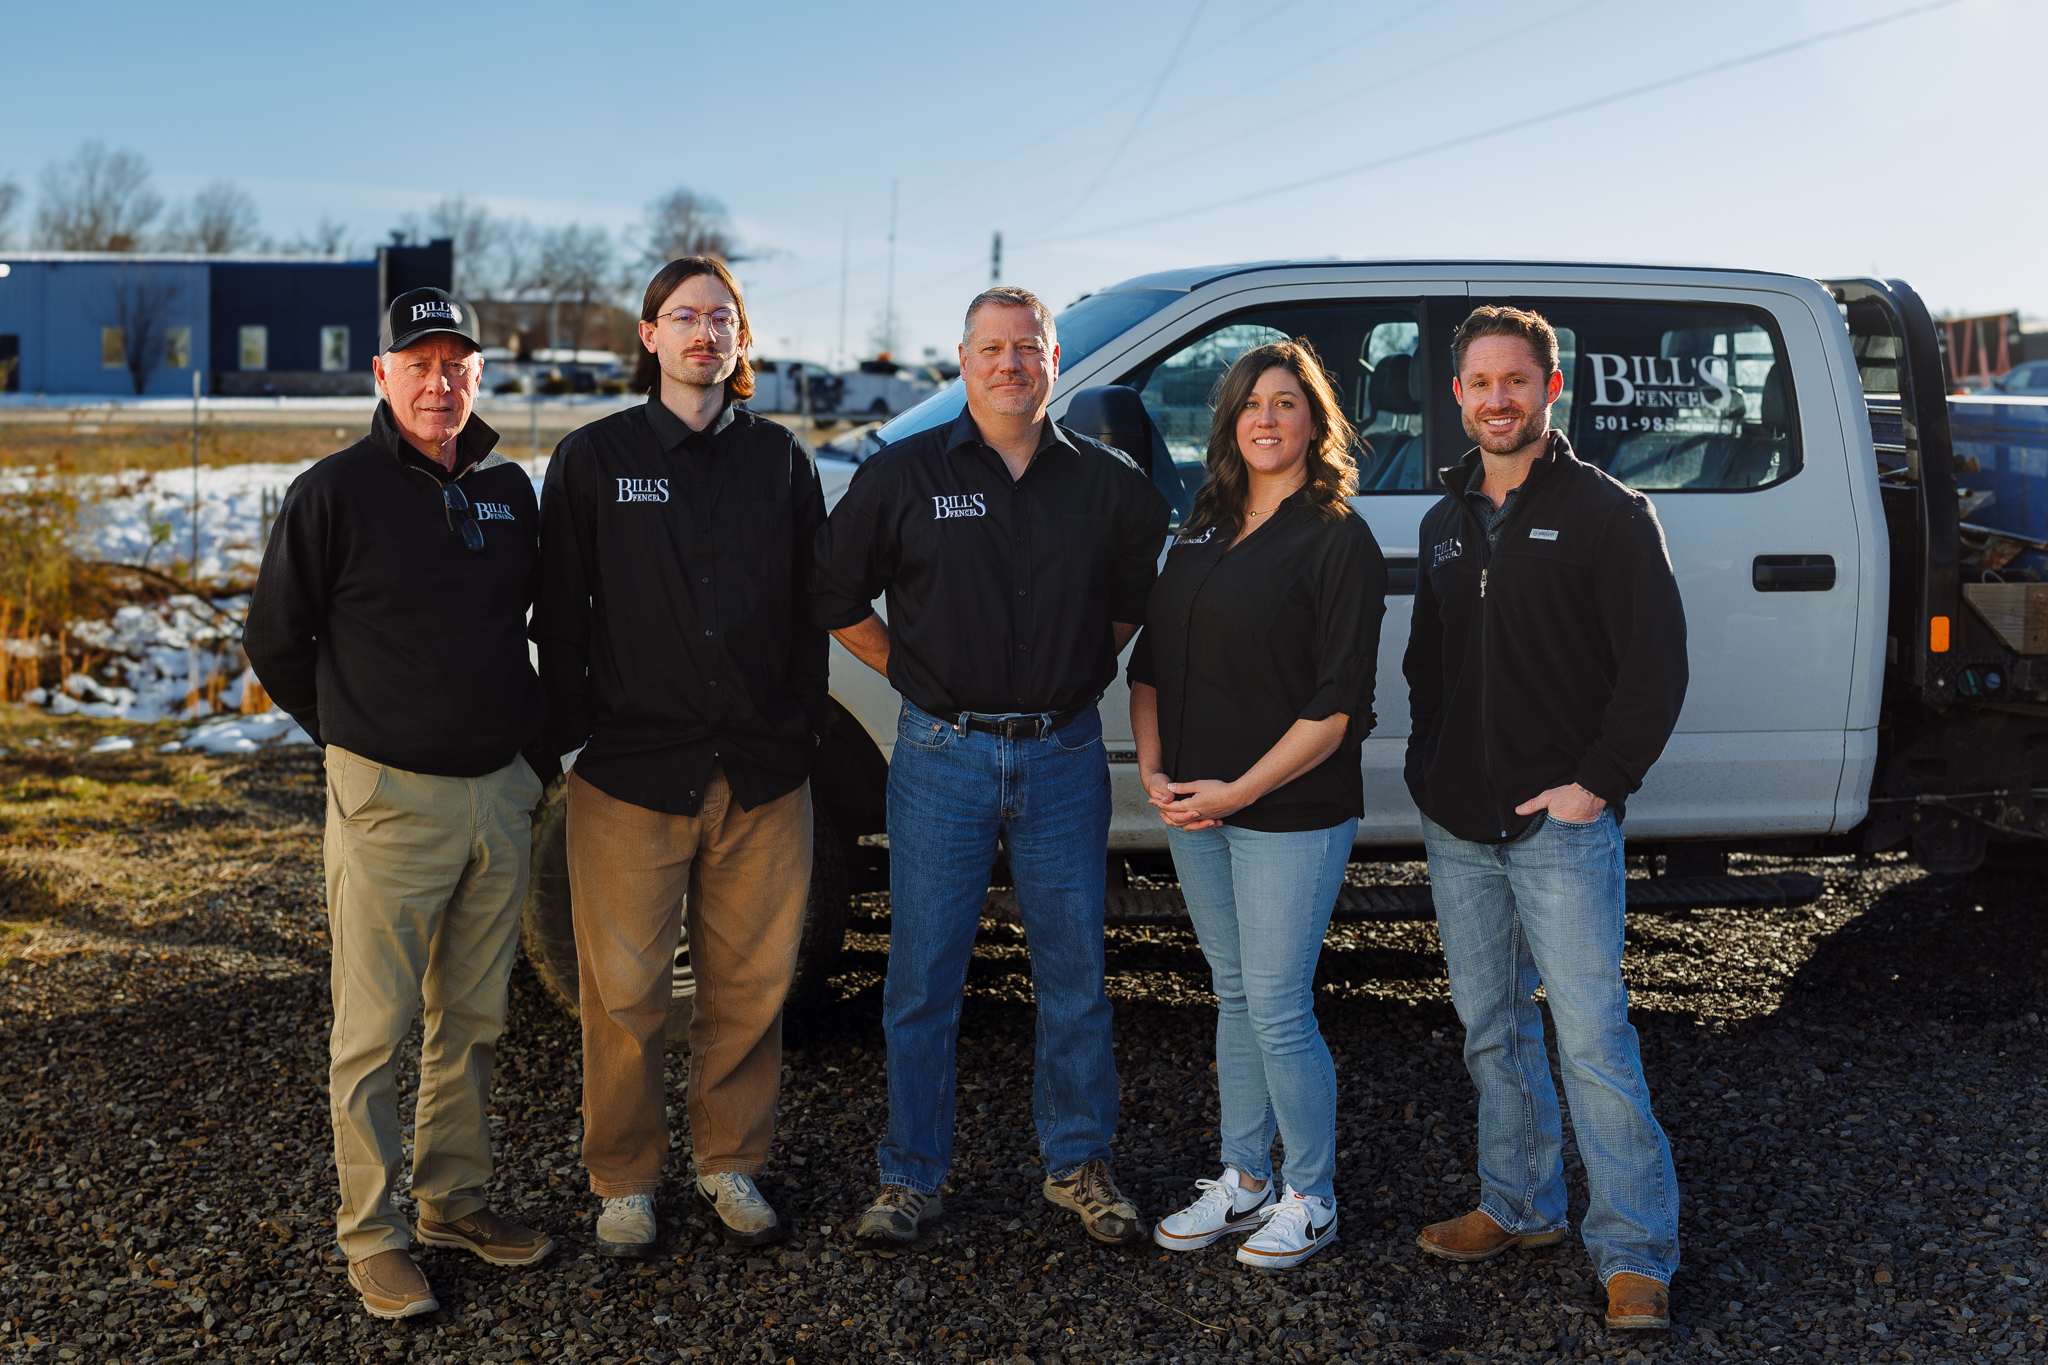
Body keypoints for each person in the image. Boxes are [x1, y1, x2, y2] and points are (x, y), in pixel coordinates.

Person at [812, 286, 1170, 1245]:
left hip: (1061, 754)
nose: (1011, 364)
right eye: (992, 348)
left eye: (1029, 348)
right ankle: (911, 1174)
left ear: (1055, 361)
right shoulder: (903, 476)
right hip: (941, 755)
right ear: (961, 361)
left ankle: (1079, 1162)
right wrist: (914, 674)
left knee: (1075, 972)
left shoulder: (1109, 485)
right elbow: (836, 591)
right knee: (924, 976)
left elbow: (1134, 597)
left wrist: (1077, 667)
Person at [245, 287, 555, 1320]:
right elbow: (277, 642)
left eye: (456, 363)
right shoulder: (332, 493)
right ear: (380, 376)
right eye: (417, 362)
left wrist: (532, 757)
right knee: (373, 1033)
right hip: (388, 800)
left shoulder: (511, 492)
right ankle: (373, 1235)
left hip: (495, 797)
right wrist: (355, 738)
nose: (439, 380)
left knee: (472, 1019)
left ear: (477, 377)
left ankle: (451, 1200)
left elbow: (548, 629)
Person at [533, 257, 826, 1257]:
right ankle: (622, 1179)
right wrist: (574, 737)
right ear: (649, 335)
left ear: (741, 341)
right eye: (684, 316)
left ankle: (728, 1163)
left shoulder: (782, 463)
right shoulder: (593, 458)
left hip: (759, 776)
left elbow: (805, 618)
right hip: (628, 773)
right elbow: (557, 615)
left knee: (748, 989)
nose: (705, 331)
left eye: (723, 316)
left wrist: (796, 731)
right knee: (623, 998)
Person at [1402, 305, 1687, 1330]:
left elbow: (1653, 672)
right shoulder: (1441, 521)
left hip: (1560, 823)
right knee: (1489, 1029)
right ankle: (1518, 1206)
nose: (1495, 400)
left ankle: (1634, 1253)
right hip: (1457, 821)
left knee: (1591, 1039)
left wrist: (1594, 783)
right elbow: (1425, 668)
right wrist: (1428, 767)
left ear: (1548, 389)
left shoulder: (1609, 514)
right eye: (1477, 384)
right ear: (1456, 396)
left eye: (1513, 381)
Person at [1129, 339, 1387, 1270]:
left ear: (1316, 422)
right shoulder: (1201, 526)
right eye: (1251, 404)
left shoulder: (1337, 538)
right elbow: (1151, 665)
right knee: (1234, 992)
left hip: (1290, 808)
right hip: (1197, 806)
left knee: (1278, 1004)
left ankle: (1310, 1195)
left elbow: (1338, 705)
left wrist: (1238, 790)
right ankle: (1242, 1179)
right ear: (1229, 423)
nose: (1268, 418)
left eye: (1287, 402)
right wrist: (1156, 773)